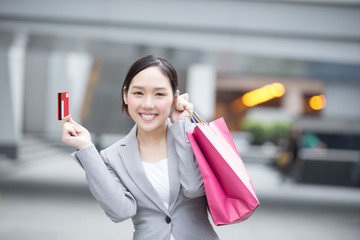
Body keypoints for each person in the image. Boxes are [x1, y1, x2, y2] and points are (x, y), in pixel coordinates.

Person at [61, 55, 219, 240]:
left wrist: (180, 129)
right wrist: (86, 148)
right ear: (125, 95)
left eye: (159, 94)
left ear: (175, 98)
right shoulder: (113, 156)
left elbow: (194, 188)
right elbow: (120, 211)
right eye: (138, 93)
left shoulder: (192, 137)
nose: (148, 104)